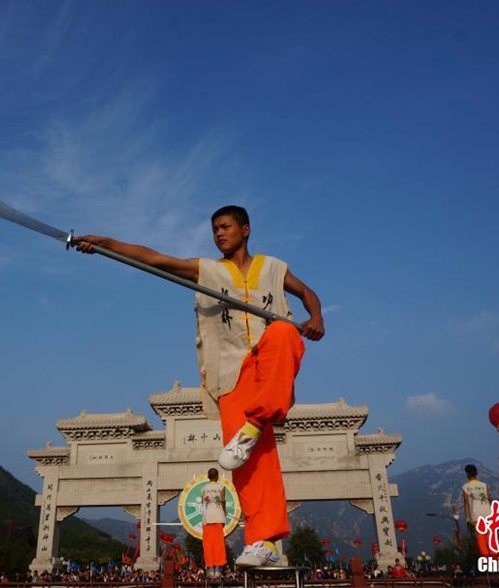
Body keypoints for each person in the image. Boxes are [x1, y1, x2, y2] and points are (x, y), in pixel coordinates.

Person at [75, 205, 324, 568]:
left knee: (285, 331)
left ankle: (253, 425)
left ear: (246, 229)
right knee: (255, 460)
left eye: (225, 227)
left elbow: (308, 293)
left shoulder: (273, 267)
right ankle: (263, 541)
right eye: (214, 230)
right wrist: (105, 242)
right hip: (229, 373)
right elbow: (156, 259)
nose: (219, 234)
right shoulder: (208, 270)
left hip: (267, 366)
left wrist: (316, 317)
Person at [461, 464, 498, 558]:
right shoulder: (484, 485)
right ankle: (496, 561)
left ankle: (488, 564)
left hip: (476, 516)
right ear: (477, 473)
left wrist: (467, 519)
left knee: (481, 540)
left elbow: (466, 504)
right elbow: (489, 499)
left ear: (467, 474)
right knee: (491, 539)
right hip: (489, 515)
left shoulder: (465, 487)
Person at [200, 468, 228, 579]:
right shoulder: (221, 487)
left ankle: (210, 569)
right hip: (218, 517)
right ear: (217, 477)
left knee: (208, 544)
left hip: (207, 518)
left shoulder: (203, 489)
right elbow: (223, 500)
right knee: (218, 544)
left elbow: (204, 502)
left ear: (208, 476)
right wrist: (224, 510)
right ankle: (218, 569)